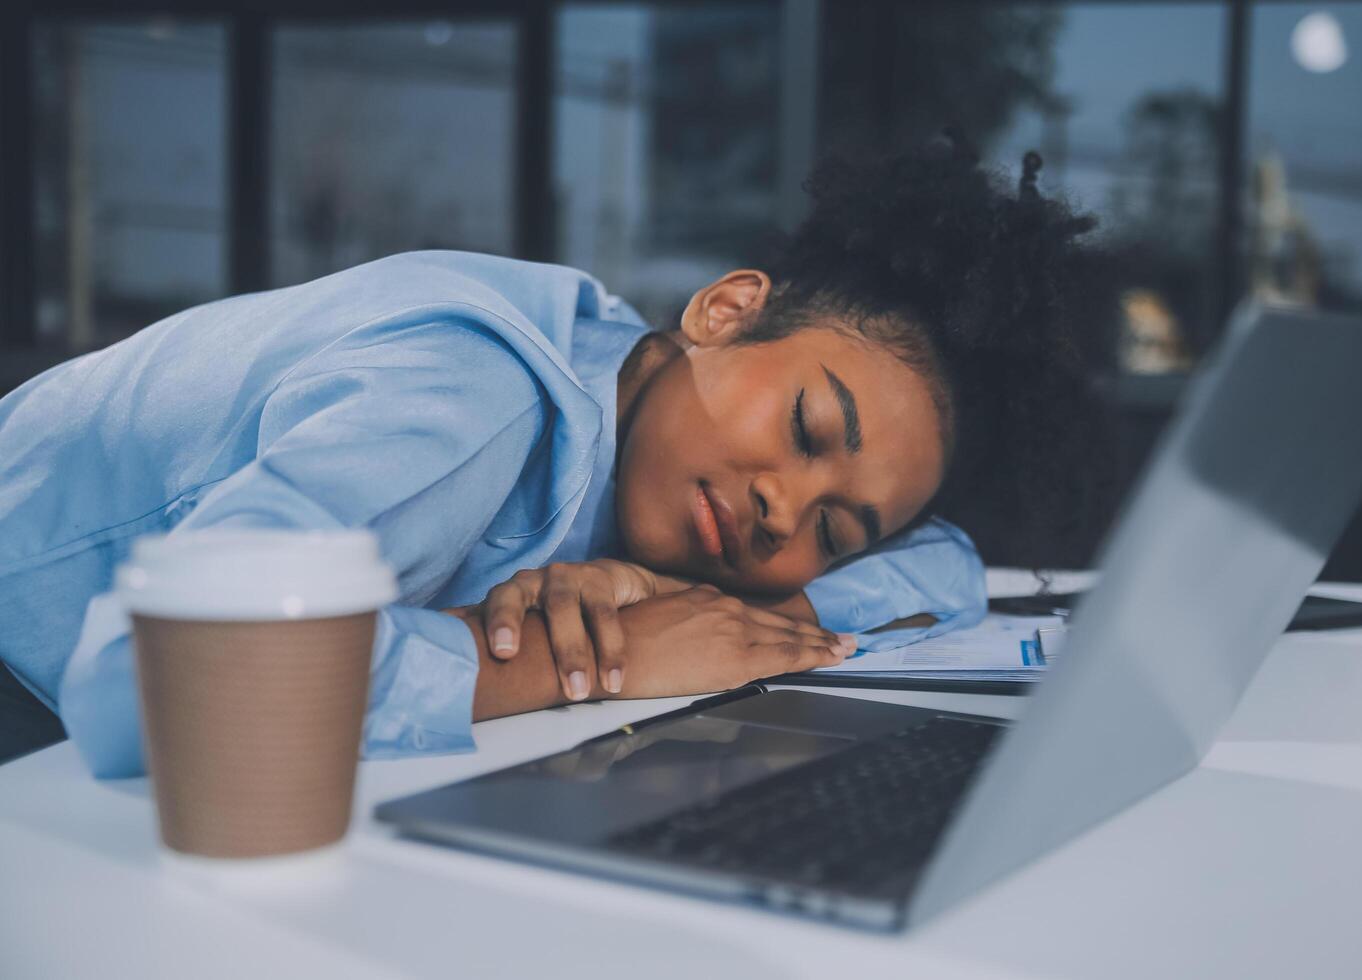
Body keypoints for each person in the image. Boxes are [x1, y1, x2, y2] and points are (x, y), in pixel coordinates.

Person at [0, 130, 1109, 773]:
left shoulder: (645, 402)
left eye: (836, 527)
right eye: (809, 431)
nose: (786, 509)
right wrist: (618, 651)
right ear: (724, 311)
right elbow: (162, 676)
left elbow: (949, 562)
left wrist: (731, 612)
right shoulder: (477, 396)